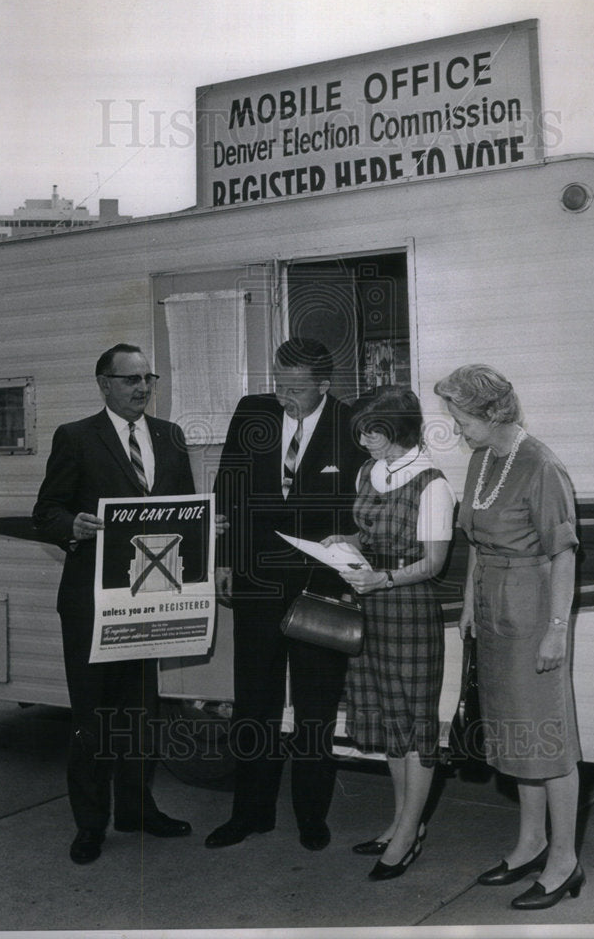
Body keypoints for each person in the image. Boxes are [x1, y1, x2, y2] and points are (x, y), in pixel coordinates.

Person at [33, 343, 202, 865]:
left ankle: (138, 810)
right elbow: (46, 512)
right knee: (93, 720)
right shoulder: (76, 437)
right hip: (92, 604)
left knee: (139, 717)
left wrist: (205, 534)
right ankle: (90, 825)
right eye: (130, 380)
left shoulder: (171, 437)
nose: (142, 388)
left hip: (149, 602)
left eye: (147, 378)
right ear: (104, 383)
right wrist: (73, 527)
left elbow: (182, 511)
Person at [206, 337, 365, 851]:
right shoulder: (252, 412)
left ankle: (311, 817)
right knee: (254, 703)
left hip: (321, 588)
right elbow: (227, 484)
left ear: (324, 385)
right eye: (279, 383)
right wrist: (224, 558)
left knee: (316, 708)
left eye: (296, 388)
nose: (283, 396)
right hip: (256, 581)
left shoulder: (352, 424)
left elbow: (363, 506)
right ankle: (250, 814)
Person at [434, 364, 583, 911]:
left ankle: (565, 860)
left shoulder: (541, 465)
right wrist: (470, 605)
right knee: (514, 732)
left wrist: (557, 631)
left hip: (534, 612)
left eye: (462, 419)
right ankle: (530, 842)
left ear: (492, 413)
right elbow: (475, 539)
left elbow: (562, 552)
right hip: (494, 613)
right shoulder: (481, 460)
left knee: (547, 737)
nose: (457, 430)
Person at [322, 387, 455, 880]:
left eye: (372, 431)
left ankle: (407, 832)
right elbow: (371, 533)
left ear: (399, 427)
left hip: (406, 606)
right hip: (369, 604)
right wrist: (347, 540)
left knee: (413, 721)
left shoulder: (433, 483)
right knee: (384, 715)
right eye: (360, 431)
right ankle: (402, 820)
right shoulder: (368, 471)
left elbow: (434, 563)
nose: (364, 440)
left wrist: (384, 578)